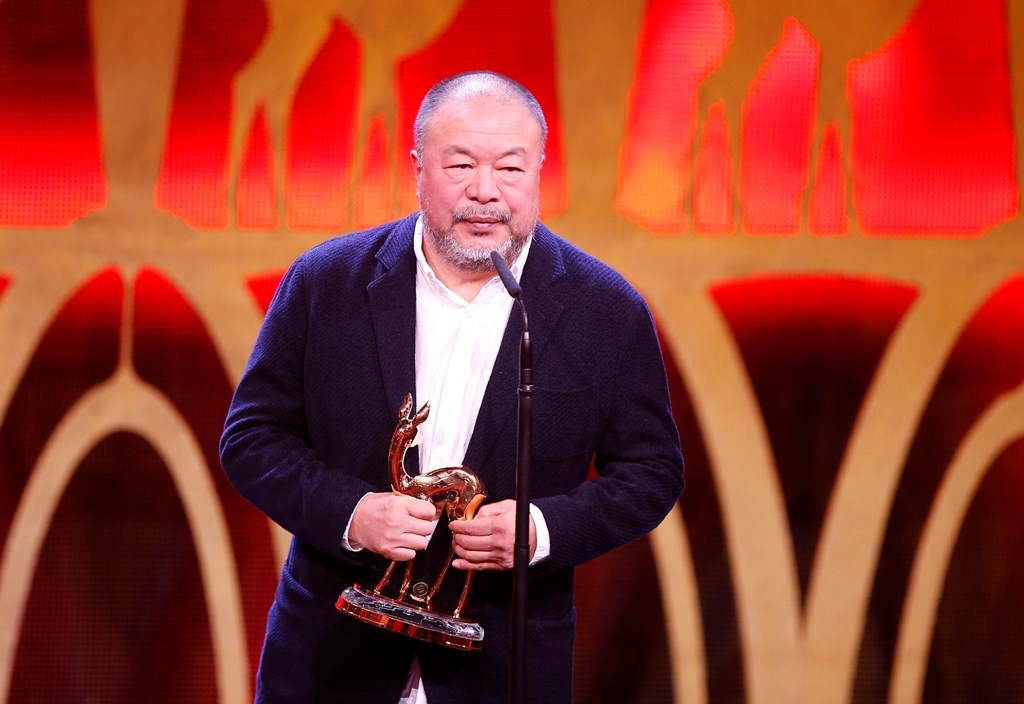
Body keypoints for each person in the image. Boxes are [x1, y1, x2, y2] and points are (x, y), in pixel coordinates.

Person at [220, 70, 685, 704]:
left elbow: (653, 472)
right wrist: (354, 514)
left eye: (511, 170)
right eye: (461, 164)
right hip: (330, 659)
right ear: (417, 167)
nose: (486, 192)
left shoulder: (605, 310)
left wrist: (542, 530)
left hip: (506, 666)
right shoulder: (325, 283)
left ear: (540, 171)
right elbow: (252, 439)